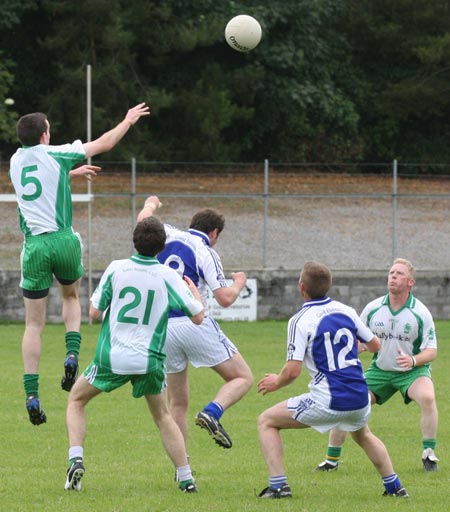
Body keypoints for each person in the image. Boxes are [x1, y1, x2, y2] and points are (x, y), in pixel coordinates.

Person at [9, 103, 150, 425]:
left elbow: (38, 185)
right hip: (64, 241)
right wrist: (126, 120)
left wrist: (70, 174)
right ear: (45, 135)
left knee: (33, 325)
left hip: (34, 246)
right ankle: (72, 355)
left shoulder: (15, 163)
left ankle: (32, 394)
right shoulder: (56, 153)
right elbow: (104, 144)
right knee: (71, 297)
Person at [64, 216, 204, 492]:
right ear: (162, 247)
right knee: (163, 416)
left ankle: (75, 460)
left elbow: (93, 312)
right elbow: (198, 317)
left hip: (112, 357)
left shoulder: (117, 269)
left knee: (76, 400)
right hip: (149, 359)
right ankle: (186, 478)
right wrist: (196, 294)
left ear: (134, 241)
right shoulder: (168, 276)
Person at [257, 261, 409, 499]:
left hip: (328, 399)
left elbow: (292, 371)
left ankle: (278, 487)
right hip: (360, 397)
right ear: (328, 286)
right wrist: (351, 351)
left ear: (301, 287)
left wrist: (276, 381)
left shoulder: (299, 320)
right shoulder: (345, 310)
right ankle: (395, 488)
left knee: (266, 421)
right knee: (364, 435)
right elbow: (375, 345)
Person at [137, 196, 253, 455]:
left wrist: (152, 203)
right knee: (242, 377)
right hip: (193, 321)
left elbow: (143, 220)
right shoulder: (207, 251)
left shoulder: (166, 233)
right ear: (214, 232)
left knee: (177, 403)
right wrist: (239, 283)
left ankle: (184, 467)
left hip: (162, 328)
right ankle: (213, 412)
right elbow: (224, 299)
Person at [316, 258, 439, 473]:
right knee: (347, 401)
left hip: (412, 371)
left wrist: (413, 360)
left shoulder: (421, 312)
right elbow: (360, 340)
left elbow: (432, 351)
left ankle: (428, 454)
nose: (393, 276)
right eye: (391, 272)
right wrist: (359, 347)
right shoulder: (373, 308)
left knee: (427, 397)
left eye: (399, 273)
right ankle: (331, 461)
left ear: (410, 282)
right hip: (380, 371)